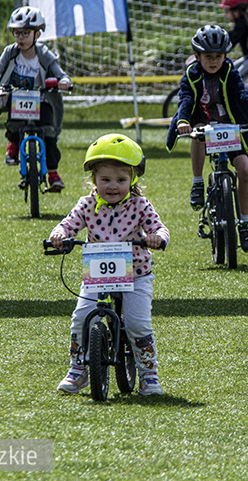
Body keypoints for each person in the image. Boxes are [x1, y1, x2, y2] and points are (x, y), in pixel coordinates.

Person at [49, 133, 170, 395]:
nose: (112, 186)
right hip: (97, 274)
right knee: (81, 317)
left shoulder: (140, 205)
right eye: (105, 180)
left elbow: (159, 228)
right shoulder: (87, 204)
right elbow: (68, 223)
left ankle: (149, 374)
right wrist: (60, 235)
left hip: (136, 274)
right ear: (93, 179)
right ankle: (78, 369)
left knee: (138, 323)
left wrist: (157, 238)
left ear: (133, 179)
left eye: (121, 180)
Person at [166, 25, 248, 253]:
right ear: (197, 56)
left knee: (245, 170)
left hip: (230, 125)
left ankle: (245, 223)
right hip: (203, 122)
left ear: (225, 56)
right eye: (208, 57)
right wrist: (182, 121)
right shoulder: (191, 74)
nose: (213, 62)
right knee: (198, 132)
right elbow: (186, 99)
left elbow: (241, 94)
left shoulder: (230, 71)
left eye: (218, 57)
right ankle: (198, 182)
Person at [0, 6, 72, 191]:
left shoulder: (44, 54)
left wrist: (63, 81)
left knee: (49, 133)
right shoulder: (11, 52)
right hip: (17, 96)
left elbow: (59, 73)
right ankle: (13, 144)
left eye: (26, 33)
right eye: (17, 33)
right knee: (14, 123)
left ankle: (53, 173)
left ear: (37, 34)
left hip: (42, 99)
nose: (21, 38)